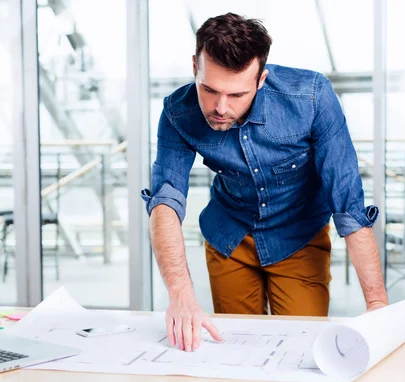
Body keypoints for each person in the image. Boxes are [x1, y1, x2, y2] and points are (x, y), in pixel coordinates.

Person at [141, 12, 388, 353]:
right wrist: (180, 295)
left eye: (237, 94)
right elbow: (165, 200)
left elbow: (348, 205)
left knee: (303, 351)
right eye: (209, 90)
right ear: (195, 66)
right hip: (229, 235)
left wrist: (377, 304)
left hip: (298, 237)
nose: (220, 108)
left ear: (261, 80)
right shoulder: (177, 112)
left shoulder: (313, 98)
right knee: (236, 352)